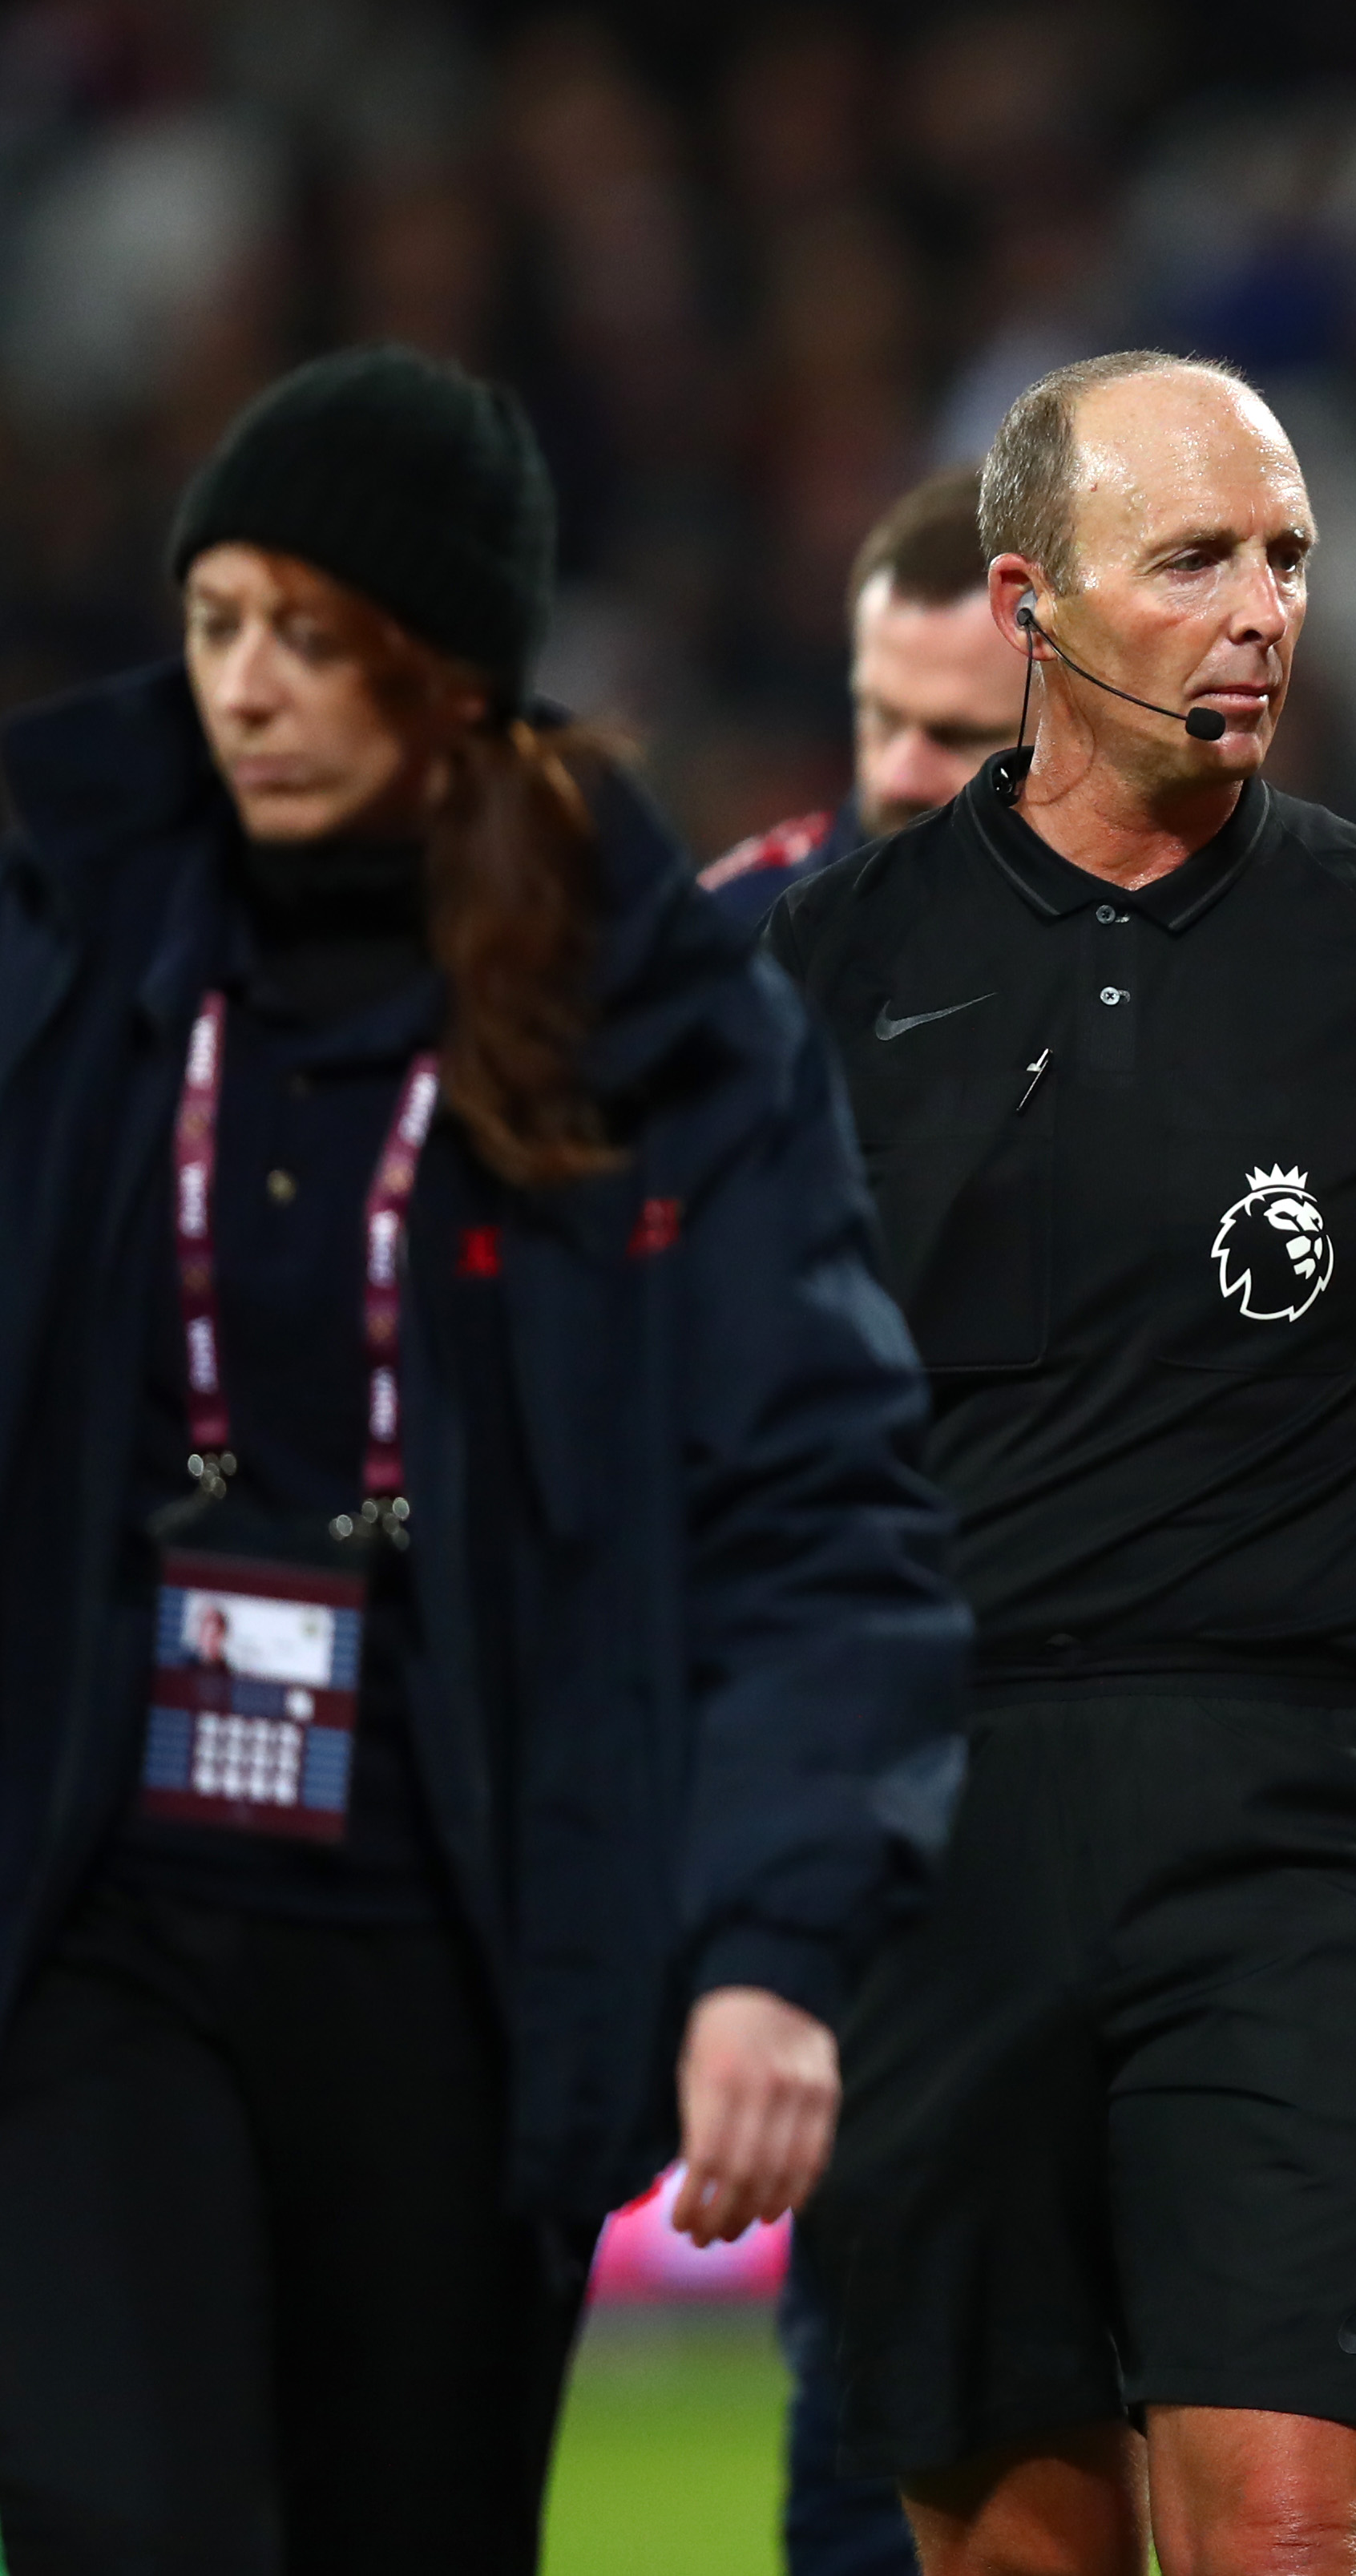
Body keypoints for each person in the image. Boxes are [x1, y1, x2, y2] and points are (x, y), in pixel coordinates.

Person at [0, 344, 967, 2574]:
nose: (246, 684)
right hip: (96, 1912)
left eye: (312, 634)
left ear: (449, 668)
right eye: (218, 619)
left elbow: (821, 1502)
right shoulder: (64, 942)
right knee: (119, 2525)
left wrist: (774, 1942)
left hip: (464, 1943)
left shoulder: (664, 1023)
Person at [772, 351, 1356, 2576]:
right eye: (1196, 559)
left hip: (1297, 1829)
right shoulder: (822, 975)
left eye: (1285, 558)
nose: (1260, 609)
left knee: (1290, 2515)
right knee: (1011, 2543)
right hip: (933, 1843)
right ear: (1030, 599)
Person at [702, 465, 1022, 930]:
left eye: (959, 736)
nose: (899, 779)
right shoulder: (733, 938)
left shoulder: (1157, 948)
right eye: (882, 719)